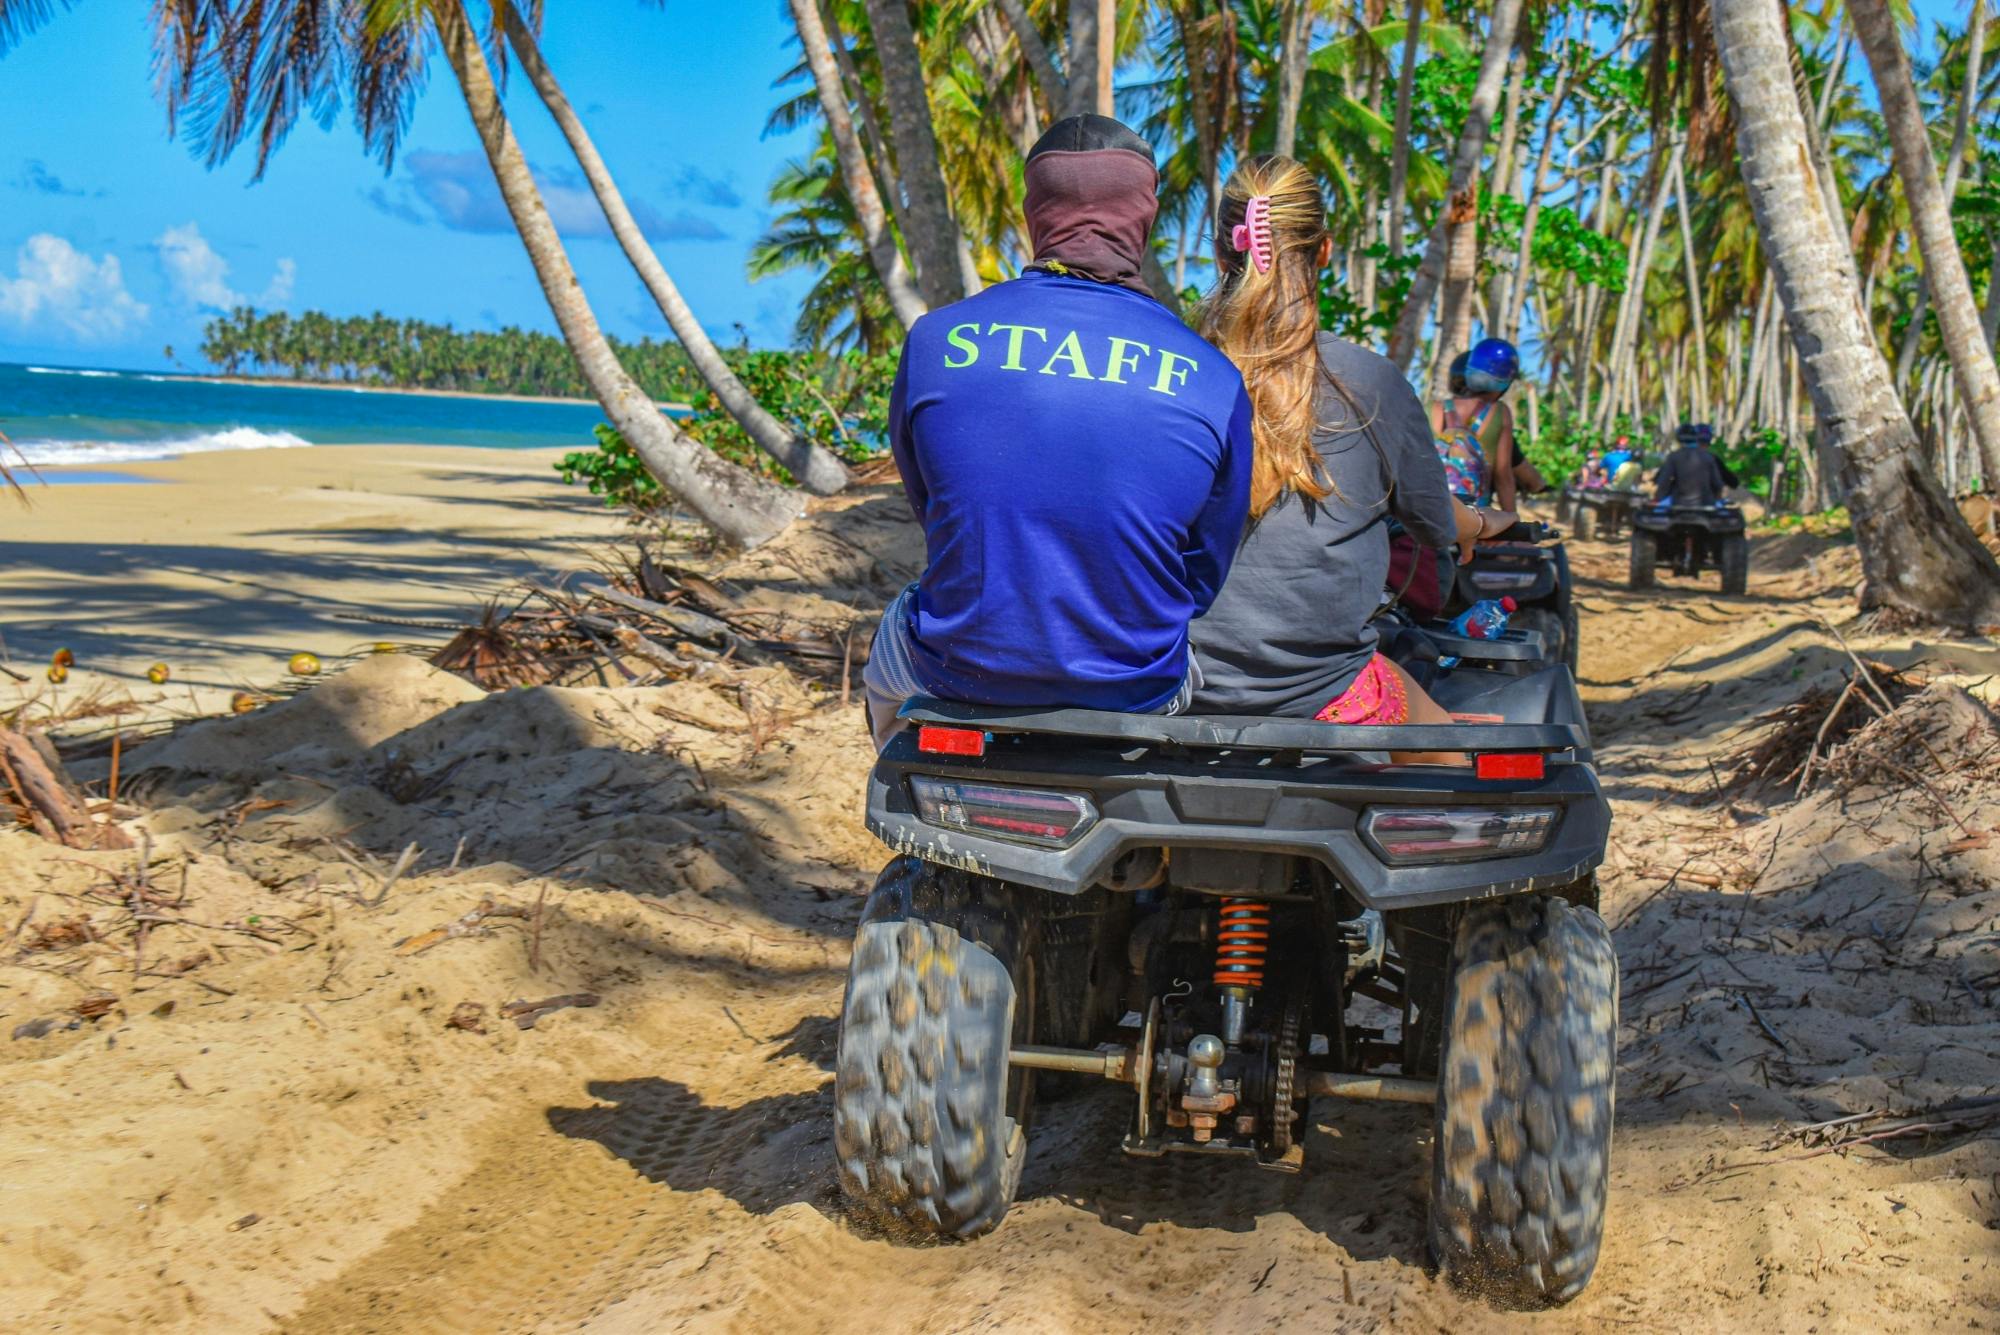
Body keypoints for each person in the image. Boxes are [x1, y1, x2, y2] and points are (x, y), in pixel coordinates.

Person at [864, 115, 1254, 748]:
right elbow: (1203, 576)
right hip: (1137, 685)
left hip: (962, 671)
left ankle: (904, 789)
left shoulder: (937, 340)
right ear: (1145, 216)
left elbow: (931, 508)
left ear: (1034, 214)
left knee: (893, 638)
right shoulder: (1213, 376)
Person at [1187, 156, 1514, 763]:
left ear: (1221, 251)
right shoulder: (1371, 383)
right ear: (1326, 251)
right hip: (1327, 689)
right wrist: (1482, 523)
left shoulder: (1173, 372)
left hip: (1168, 685)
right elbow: (1434, 521)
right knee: (1461, 773)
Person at [1435, 338, 1521, 510]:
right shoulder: (1500, 413)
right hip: (1474, 517)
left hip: (1433, 509)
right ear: (1504, 383)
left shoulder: (1436, 408)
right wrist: (1512, 520)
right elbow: (1503, 475)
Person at [1654, 422, 1738, 508]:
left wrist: (1658, 497)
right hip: (1707, 504)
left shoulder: (1674, 457)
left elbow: (1662, 482)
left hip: (1678, 504)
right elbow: (1721, 485)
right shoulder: (1710, 458)